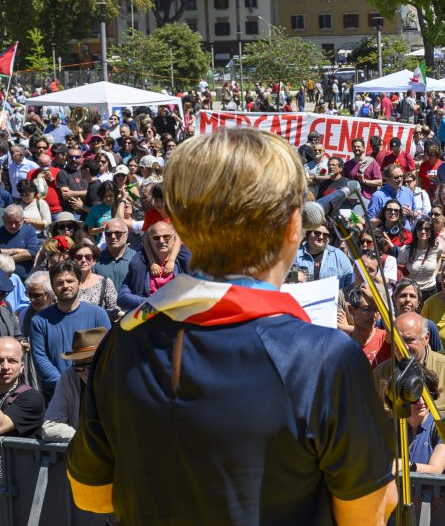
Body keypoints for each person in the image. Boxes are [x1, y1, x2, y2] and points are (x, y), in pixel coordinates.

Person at [67, 127, 398, 524]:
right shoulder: (324, 359)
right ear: (294, 226)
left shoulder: (121, 342)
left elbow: (91, 494)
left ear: (180, 224)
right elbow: (365, 515)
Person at [29, 261, 112, 400]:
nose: (65, 286)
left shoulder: (98, 314)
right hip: (56, 394)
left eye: (70, 281)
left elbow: (107, 352)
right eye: (59, 282)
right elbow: (40, 358)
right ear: (52, 286)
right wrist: (64, 384)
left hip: (94, 391)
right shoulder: (39, 320)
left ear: (79, 282)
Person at [381, 312, 445, 429]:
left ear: (426, 338)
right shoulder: (380, 375)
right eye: (398, 340)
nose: (403, 347)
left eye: (409, 340)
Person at [43, 327, 107, 440]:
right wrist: (85, 439)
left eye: (92, 365)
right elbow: (50, 427)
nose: (86, 373)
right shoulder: (69, 376)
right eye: (79, 366)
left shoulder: (125, 379)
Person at [404, 366, 445, 475]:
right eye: (415, 396)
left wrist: (404, 465)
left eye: (426, 396)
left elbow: (435, 470)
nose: (421, 402)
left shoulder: (443, 426)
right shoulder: (389, 427)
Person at [0, 335, 44, 438]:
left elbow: (1, 425)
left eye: (12, 361)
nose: (5, 367)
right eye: (0, 360)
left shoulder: (32, 398)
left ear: (21, 367)